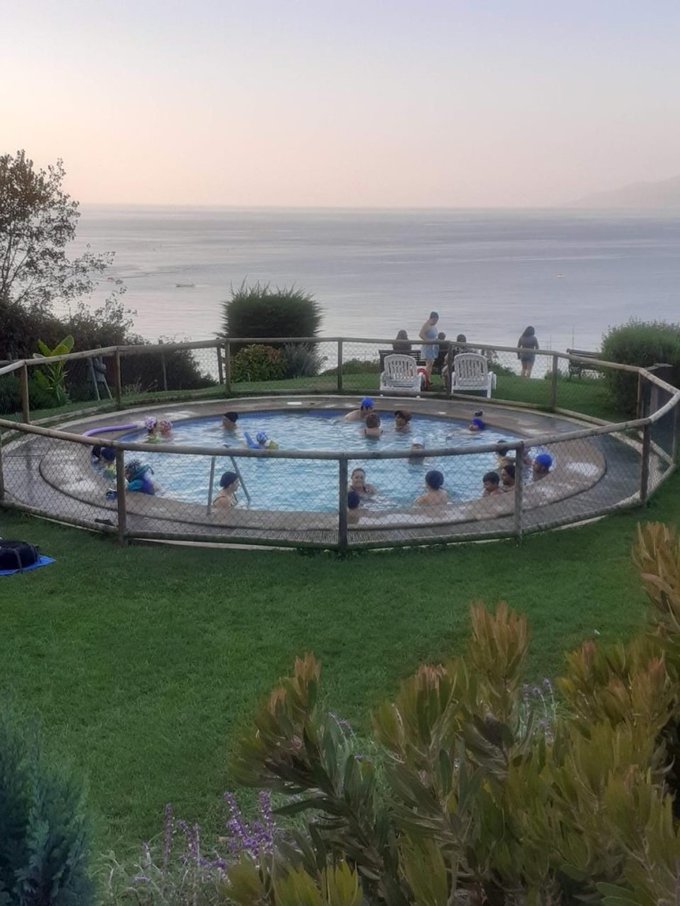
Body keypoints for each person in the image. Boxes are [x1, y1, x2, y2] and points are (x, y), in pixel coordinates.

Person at [419, 312, 440, 383]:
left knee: (431, 364)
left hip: (433, 347)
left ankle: (428, 379)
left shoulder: (433, 326)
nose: (436, 322)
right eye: (435, 320)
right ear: (432, 318)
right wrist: (428, 341)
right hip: (427, 347)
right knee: (428, 364)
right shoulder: (426, 325)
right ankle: (427, 380)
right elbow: (421, 334)